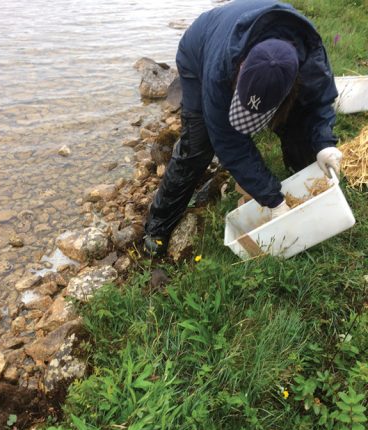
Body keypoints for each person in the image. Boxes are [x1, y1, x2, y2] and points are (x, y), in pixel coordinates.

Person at [143, 0, 343, 256]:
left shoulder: (311, 58)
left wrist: (324, 143)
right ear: (239, 71)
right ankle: (157, 228)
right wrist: (272, 199)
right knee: (198, 145)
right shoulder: (219, 70)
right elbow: (228, 141)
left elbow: (319, 103)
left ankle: (297, 171)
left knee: (299, 122)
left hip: (264, 54)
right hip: (199, 48)